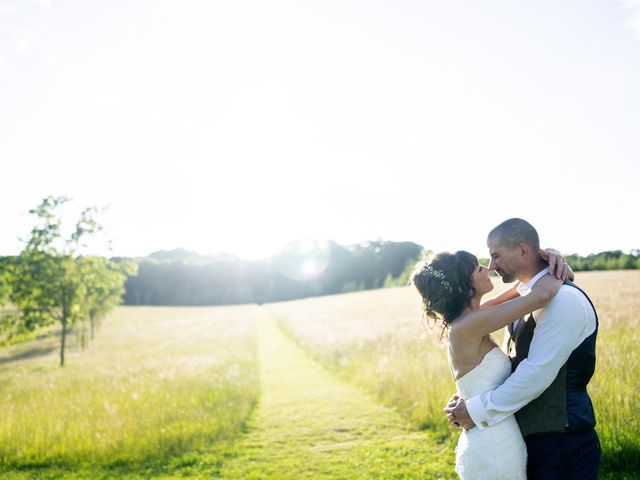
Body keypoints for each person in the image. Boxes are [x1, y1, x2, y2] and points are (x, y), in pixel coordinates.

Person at [444, 218, 600, 479]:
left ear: (523, 250)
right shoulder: (524, 297)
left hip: (564, 445)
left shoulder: (563, 301)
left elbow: (535, 374)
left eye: (496, 256)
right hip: (527, 441)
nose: (491, 266)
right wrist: (470, 394)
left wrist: (475, 409)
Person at [411, 246, 570, 479]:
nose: (487, 268)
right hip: (492, 445)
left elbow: (523, 288)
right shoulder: (468, 326)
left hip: (495, 434)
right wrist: (561, 269)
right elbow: (542, 294)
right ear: (463, 288)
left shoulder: (474, 317)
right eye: (478, 268)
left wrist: (553, 256)